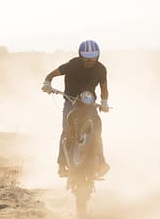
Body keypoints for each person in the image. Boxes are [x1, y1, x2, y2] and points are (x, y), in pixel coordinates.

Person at [41, 40, 110, 178]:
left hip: (90, 104)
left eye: (93, 58)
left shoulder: (101, 69)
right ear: (80, 55)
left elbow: (104, 88)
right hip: (71, 102)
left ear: (98, 56)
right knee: (66, 130)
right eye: (86, 57)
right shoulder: (72, 64)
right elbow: (51, 75)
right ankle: (61, 165)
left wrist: (104, 102)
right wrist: (47, 83)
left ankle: (101, 162)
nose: (90, 61)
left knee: (96, 129)